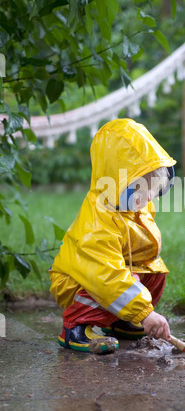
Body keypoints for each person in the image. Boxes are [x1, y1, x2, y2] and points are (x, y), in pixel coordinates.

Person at [49, 118, 176, 353]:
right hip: (78, 282)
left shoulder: (135, 205)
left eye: (153, 188)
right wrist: (145, 313)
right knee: (106, 287)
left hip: (111, 275)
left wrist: (140, 308)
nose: (149, 197)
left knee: (155, 272)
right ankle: (74, 328)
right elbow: (105, 275)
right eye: (139, 189)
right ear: (116, 183)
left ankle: (121, 321)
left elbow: (140, 255)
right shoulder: (98, 220)